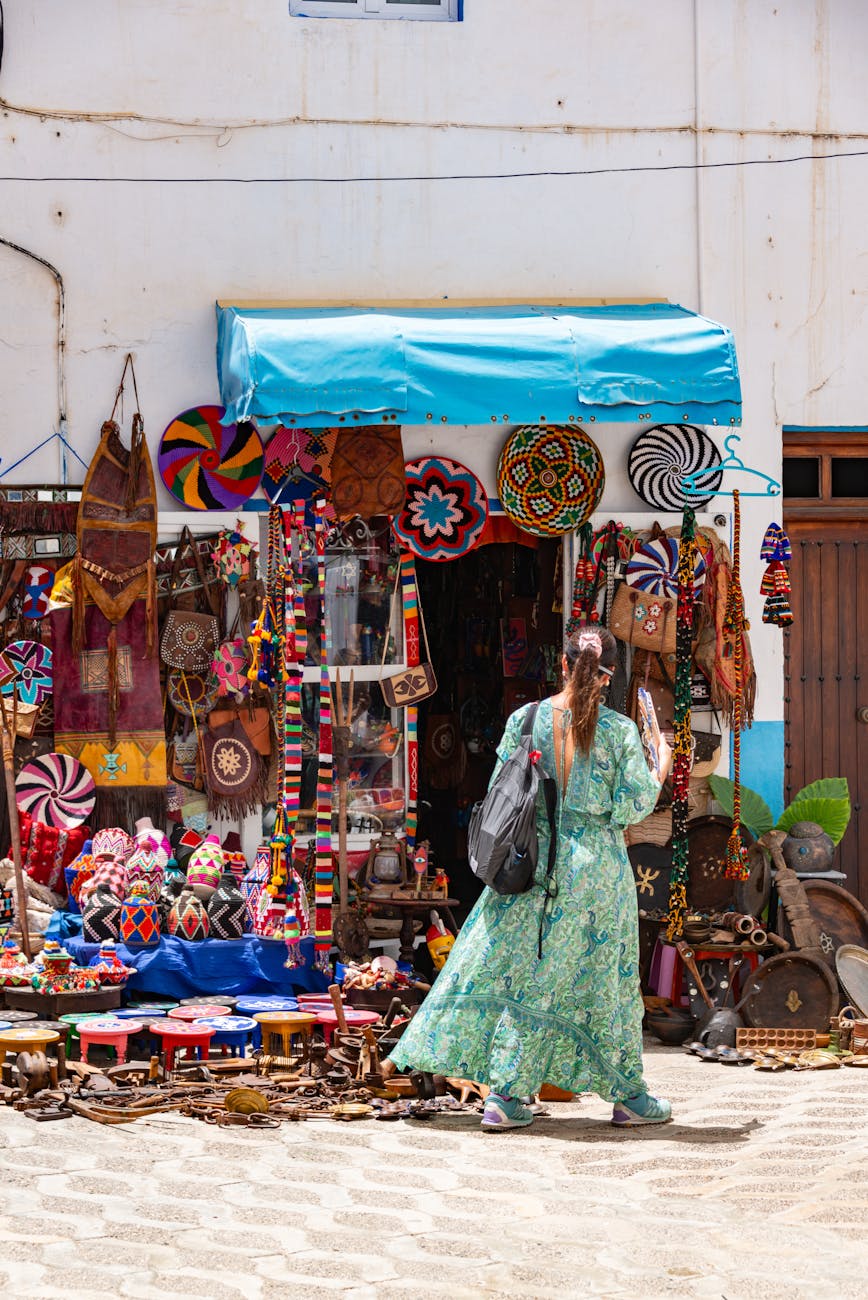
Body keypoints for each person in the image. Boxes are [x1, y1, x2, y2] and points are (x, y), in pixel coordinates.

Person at [385, 625, 673, 1130]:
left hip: (529, 868)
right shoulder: (619, 733)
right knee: (607, 985)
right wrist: (661, 766)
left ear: (561, 665)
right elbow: (632, 806)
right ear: (606, 678)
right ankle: (627, 1096)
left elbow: (502, 794)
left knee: (521, 978)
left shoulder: (526, 719)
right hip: (596, 876)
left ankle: (507, 1097)